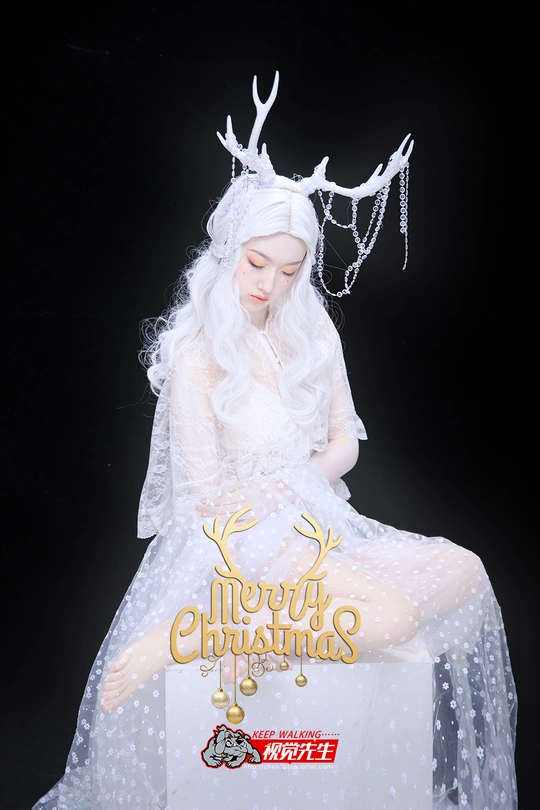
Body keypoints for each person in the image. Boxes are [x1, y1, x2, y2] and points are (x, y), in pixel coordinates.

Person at [33, 75, 517, 810]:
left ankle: (246, 635)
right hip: (245, 546)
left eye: (289, 271)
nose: (270, 284)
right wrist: (262, 513)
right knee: (390, 621)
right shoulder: (198, 355)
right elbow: (201, 501)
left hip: (313, 524)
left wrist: (298, 485)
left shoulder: (311, 327)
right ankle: (196, 638)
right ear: (229, 249)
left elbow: (346, 441)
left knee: (466, 570)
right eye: (257, 263)